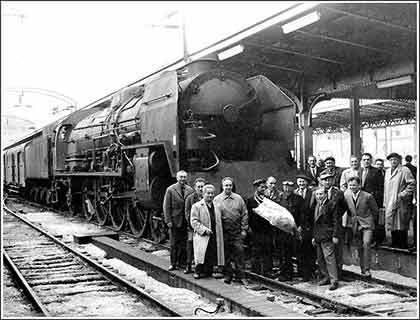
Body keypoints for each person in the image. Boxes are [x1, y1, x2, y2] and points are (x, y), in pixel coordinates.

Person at [214, 177, 249, 285]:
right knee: (226, 254)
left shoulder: (238, 199)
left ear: (232, 186)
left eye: (230, 185)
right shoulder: (217, 199)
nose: (228, 187)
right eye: (226, 185)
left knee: (239, 253)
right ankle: (228, 275)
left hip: (236, 231)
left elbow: (245, 214)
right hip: (223, 231)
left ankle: (241, 276)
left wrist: (244, 229)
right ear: (222, 186)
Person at [344, 177, 378, 278]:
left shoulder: (368, 196)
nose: (352, 187)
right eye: (350, 185)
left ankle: (367, 270)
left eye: (354, 185)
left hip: (367, 224)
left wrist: (370, 221)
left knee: (366, 243)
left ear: (359, 185)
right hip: (355, 225)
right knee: (359, 247)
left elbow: (375, 210)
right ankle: (363, 269)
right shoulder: (346, 195)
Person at [190, 184, 225, 279]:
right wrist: (204, 230)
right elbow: (194, 221)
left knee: (211, 253)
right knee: (201, 254)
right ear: (203, 194)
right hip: (203, 235)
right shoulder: (197, 206)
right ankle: (197, 271)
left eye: (212, 193)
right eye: (208, 193)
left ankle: (208, 272)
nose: (210, 195)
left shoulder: (217, 206)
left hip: (214, 233)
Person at [383, 153, 416, 249]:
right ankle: (394, 244)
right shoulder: (388, 171)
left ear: (399, 160)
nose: (393, 161)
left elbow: (412, 184)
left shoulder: (405, 170)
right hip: (390, 201)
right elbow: (386, 187)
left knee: (401, 224)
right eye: (391, 160)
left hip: (401, 201)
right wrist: (385, 201)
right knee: (392, 223)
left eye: (395, 159)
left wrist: (403, 194)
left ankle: (402, 245)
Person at [163, 170, 194, 271]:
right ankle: (173, 263)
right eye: (181, 177)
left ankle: (182, 263)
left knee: (184, 243)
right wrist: (168, 220)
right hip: (175, 220)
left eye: (184, 177)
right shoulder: (170, 190)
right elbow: (166, 206)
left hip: (186, 220)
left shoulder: (190, 190)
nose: (183, 179)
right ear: (177, 178)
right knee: (174, 243)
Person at [319, 172, 348, 279]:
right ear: (321, 181)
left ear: (332, 181)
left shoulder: (338, 193)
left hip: (335, 226)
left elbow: (344, 207)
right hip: (323, 228)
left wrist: (336, 217)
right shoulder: (318, 192)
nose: (327, 182)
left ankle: (338, 274)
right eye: (325, 180)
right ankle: (326, 276)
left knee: (337, 252)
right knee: (323, 255)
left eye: (329, 179)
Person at [312, 186, 340, 290]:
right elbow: (315, 223)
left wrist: (335, 235)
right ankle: (326, 277)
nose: (319, 196)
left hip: (327, 236)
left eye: (321, 194)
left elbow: (336, 221)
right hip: (318, 236)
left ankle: (334, 281)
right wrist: (314, 237)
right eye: (317, 194)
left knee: (329, 258)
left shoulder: (331, 205)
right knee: (320, 259)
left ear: (325, 194)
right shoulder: (317, 205)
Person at [276, 180, 304, 281]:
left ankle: (301, 273)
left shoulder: (298, 199)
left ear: (293, 188)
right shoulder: (279, 198)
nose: (287, 189)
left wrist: (300, 226)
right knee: (284, 253)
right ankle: (285, 273)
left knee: (297, 251)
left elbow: (302, 214)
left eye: (289, 187)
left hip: (294, 229)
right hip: (282, 230)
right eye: (285, 186)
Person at [246, 179, 273, 276]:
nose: (263, 189)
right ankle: (256, 271)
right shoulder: (250, 200)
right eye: (261, 187)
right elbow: (247, 215)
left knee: (267, 250)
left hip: (267, 229)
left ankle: (267, 271)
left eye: (264, 187)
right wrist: (248, 227)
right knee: (256, 251)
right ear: (257, 188)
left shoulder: (268, 199)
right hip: (255, 230)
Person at [294, 174, 316, 281]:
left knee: (309, 250)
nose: (301, 183)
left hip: (308, 225)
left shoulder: (312, 194)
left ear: (307, 183)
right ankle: (300, 272)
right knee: (299, 249)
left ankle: (309, 272)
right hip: (297, 226)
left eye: (303, 182)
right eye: (299, 181)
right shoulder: (294, 193)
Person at [184, 177, 206, 274]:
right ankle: (188, 264)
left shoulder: (208, 197)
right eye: (199, 187)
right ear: (195, 188)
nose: (200, 189)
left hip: (204, 226)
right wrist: (194, 226)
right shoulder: (190, 199)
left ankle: (202, 266)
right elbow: (187, 214)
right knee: (190, 243)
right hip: (192, 227)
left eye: (202, 187)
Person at [374, 158, 386, 246]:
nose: (379, 166)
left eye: (381, 164)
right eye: (377, 164)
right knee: (377, 219)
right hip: (376, 199)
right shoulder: (374, 173)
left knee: (382, 219)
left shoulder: (386, 173)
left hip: (384, 199)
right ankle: (377, 238)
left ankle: (382, 237)